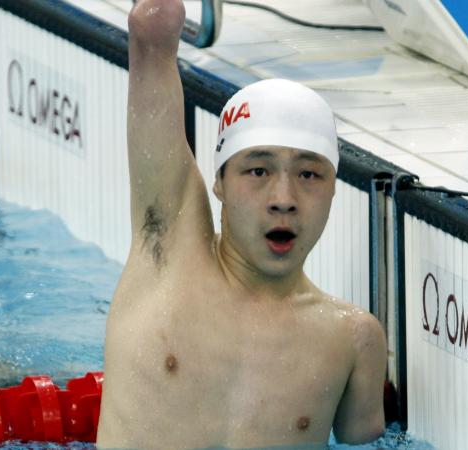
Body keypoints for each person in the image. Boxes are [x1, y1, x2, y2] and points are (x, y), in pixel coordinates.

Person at [96, 0, 387, 447]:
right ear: (220, 183)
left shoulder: (352, 341)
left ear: (333, 189)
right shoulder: (169, 251)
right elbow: (151, 27)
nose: (284, 200)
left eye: (309, 174)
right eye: (258, 171)